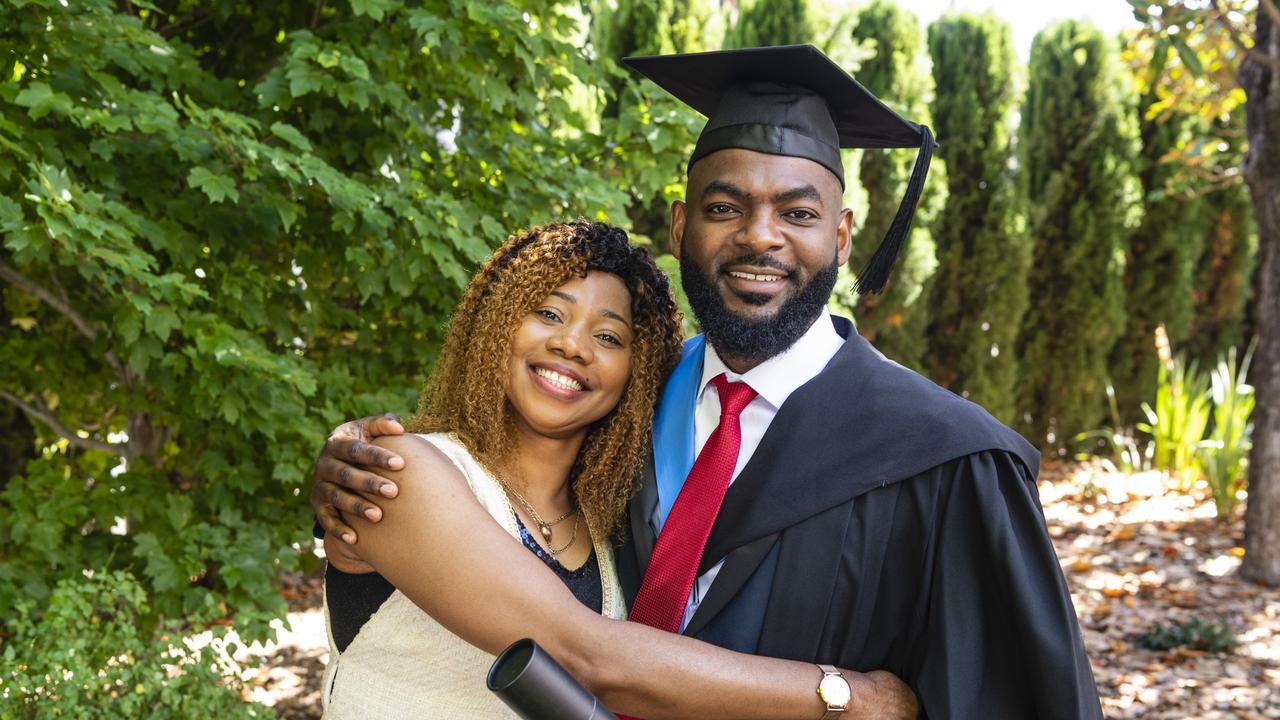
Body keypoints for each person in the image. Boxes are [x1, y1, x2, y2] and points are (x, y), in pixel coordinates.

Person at [314, 46, 1103, 718]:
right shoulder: (628, 411)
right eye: (727, 206)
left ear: (842, 233)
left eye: (798, 213)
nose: (760, 237)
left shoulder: (948, 460)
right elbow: (565, 620)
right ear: (680, 223)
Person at [318, 219, 917, 719]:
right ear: (497, 322)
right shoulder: (399, 476)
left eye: (609, 336)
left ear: (635, 374)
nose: (574, 346)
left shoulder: (611, 540)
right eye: (548, 314)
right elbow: (593, 655)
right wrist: (846, 696)